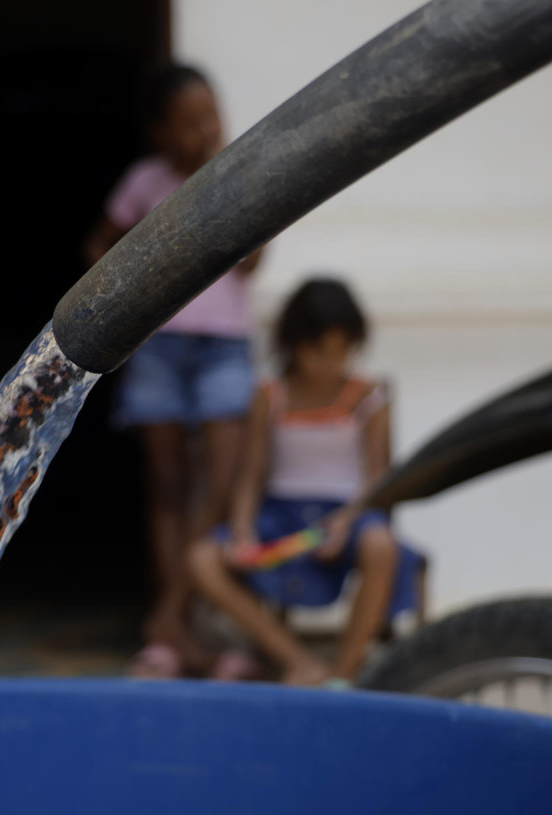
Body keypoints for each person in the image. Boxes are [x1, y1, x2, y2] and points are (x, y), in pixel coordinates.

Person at [85, 64, 263, 678]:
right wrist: (121, 312)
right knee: (166, 489)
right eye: (187, 122)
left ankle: (176, 612)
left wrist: (228, 193)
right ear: (159, 130)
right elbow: (97, 247)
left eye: (209, 116)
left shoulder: (238, 171)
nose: (203, 131)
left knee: (217, 484)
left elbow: (254, 262)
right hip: (158, 348)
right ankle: (174, 635)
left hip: (222, 347)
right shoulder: (144, 181)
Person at [187, 278, 420, 685]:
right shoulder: (270, 394)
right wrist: (243, 530)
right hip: (280, 517)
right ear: (294, 344)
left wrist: (346, 522)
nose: (331, 363)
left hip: (348, 515)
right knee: (203, 559)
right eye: (319, 351)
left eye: (342, 351)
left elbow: (379, 479)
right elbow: (251, 474)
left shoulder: (369, 396)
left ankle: (344, 673)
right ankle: (298, 661)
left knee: (381, 545)